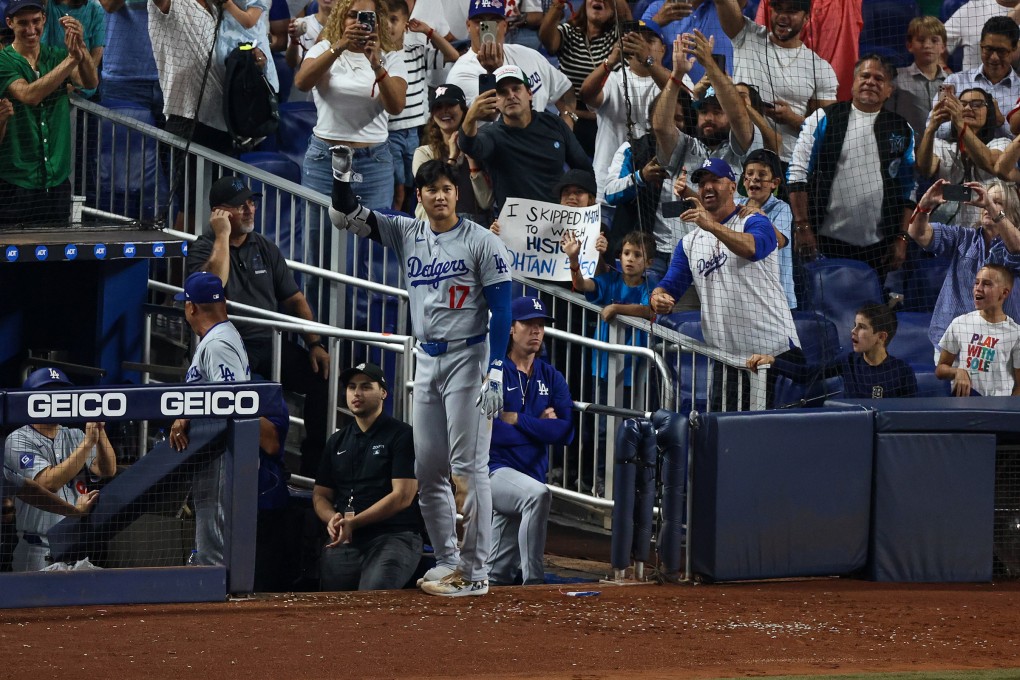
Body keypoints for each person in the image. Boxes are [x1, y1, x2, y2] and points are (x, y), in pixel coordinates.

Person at [329, 154, 513, 596]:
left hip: (469, 358)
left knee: (470, 469)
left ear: (457, 194)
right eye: (432, 189)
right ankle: (449, 560)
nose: (441, 196)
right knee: (429, 469)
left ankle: (475, 573)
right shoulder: (407, 231)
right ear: (420, 196)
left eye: (448, 189)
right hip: (427, 359)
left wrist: (496, 368)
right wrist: (340, 177)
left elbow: (504, 307)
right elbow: (346, 214)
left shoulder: (482, 242)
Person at [187, 175, 331, 477]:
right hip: (232, 349)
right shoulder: (203, 249)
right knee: (245, 395)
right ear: (220, 213)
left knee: (322, 378)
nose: (250, 209)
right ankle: (242, 468)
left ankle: (316, 467)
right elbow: (214, 283)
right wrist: (222, 237)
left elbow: (294, 299)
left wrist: (315, 343)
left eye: (251, 202)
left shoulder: (264, 246)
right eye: (241, 206)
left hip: (270, 343)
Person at [649, 157, 799, 402]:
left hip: (774, 353)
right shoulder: (689, 243)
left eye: (715, 181)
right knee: (725, 438)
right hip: (728, 361)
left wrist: (711, 226)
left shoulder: (755, 220)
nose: (707, 187)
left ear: (732, 186)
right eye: (702, 183)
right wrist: (658, 297)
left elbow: (755, 249)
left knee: (772, 438)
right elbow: (669, 285)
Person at [788, 54, 916, 277]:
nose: (870, 82)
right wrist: (802, 226)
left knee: (871, 311)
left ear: (889, 91)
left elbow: (908, 188)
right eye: (865, 75)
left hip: (879, 247)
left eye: (879, 79)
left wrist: (902, 238)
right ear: (853, 82)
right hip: (822, 241)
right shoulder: (822, 118)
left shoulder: (902, 128)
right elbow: (797, 174)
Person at [313, 362, 422, 591]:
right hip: (347, 538)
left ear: (383, 392)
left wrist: (354, 521)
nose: (357, 393)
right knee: (331, 609)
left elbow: (403, 495)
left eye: (366, 386)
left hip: (394, 535)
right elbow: (321, 495)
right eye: (352, 387)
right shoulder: (337, 441)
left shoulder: (402, 435)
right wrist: (331, 517)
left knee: (372, 601)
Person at [488, 297, 573, 586]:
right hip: (495, 471)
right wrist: (540, 426)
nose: (536, 331)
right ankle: (534, 582)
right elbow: (490, 433)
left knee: (496, 574)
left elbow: (565, 431)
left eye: (541, 325)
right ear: (511, 328)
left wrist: (519, 420)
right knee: (537, 495)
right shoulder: (494, 373)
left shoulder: (551, 375)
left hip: (530, 473)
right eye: (528, 324)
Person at [168, 271, 251, 566]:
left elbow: (233, 401)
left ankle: (214, 598)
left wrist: (186, 416)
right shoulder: (220, 337)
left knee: (213, 540)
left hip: (219, 450)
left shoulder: (218, 344)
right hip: (215, 449)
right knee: (210, 529)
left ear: (191, 307)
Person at [564, 229, 655, 494]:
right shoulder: (610, 280)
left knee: (634, 429)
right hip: (603, 370)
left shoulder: (652, 286)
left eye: (638, 255)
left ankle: (631, 483)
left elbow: (649, 309)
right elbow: (583, 285)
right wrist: (574, 260)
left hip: (635, 374)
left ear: (648, 263)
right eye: (626, 253)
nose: (630, 259)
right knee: (602, 429)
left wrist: (617, 309)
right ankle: (602, 481)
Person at [293, 0, 408, 209]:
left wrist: (376, 66)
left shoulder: (390, 58)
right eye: (352, 15)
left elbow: (396, 106)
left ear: (377, 23)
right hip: (324, 159)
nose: (358, 22)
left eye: (366, 17)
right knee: (318, 236)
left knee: (371, 238)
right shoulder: (324, 48)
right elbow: (302, 82)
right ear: (340, 18)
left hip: (373, 162)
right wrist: (340, 45)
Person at [4, 367, 114, 571]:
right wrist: (89, 442)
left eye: (60, 393)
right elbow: (48, 483)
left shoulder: (74, 435)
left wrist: (99, 432)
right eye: (49, 393)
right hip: (36, 550)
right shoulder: (17, 439)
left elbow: (106, 469)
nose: (56, 399)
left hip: (75, 546)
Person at [0, 0, 98, 227]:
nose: (31, 29)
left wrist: (81, 47)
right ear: (10, 23)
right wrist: (72, 58)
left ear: (44, 19)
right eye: (23, 23)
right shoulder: (4, 61)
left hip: (57, 179)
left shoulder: (55, 56)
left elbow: (89, 81)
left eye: (36, 21)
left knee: (56, 255)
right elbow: (29, 95)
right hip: (16, 179)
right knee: (13, 256)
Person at [907, 178, 1020, 355]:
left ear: (1012, 213)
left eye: (997, 202)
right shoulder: (963, 238)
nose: (988, 207)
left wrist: (991, 207)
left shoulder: (1014, 244)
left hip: (999, 348)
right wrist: (925, 205)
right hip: (955, 345)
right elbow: (917, 232)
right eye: (987, 201)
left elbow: (1017, 249)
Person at [458, 64, 592, 213]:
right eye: (502, 92)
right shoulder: (491, 135)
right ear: (495, 100)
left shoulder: (554, 124)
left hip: (558, 222)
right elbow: (469, 146)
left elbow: (583, 168)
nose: (510, 95)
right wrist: (470, 118)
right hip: (514, 228)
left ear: (529, 93)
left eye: (516, 89)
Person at [715, 0, 838, 162]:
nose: (783, 16)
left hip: (788, 163)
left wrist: (791, 118)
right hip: (742, 159)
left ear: (807, 17)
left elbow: (829, 131)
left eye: (792, 11)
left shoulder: (820, 69)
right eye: (778, 9)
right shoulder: (746, 35)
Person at [579, 18, 670, 204]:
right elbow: (586, 95)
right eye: (636, 40)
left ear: (663, 49)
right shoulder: (613, 79)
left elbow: (683, 96)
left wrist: (648, 60)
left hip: (659, 191)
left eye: (649, 41)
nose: (641, 46)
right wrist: (610, 62)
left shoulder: (673, 80)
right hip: (610, 188)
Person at [748, 303, 918, 399]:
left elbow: (909, 418)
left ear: (881, 337)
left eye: (862, 327)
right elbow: (806, 375)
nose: (853, 331)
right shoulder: (848, 362)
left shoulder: (902, 371)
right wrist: (773, 361)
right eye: (854, 325)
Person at [388, 1, 459, 213]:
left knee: (420, 184)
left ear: (405, 24)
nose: (389, 26)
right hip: (389, 133)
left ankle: (419, 225)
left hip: (419, 131)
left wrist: (428, 32)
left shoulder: (416, 50)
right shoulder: (378, 56)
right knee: (398, 191)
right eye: (385, 20)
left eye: (394, 20)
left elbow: (452, 55)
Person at [447, 0, 575, 117]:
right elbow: (491, 117)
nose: (485, 28)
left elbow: (564, 89)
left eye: (494, 22)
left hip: (539, 139)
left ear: (505, 26)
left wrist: (568, 122)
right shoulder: (461, 74)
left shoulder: (528, 55)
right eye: (479, 22)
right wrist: (492, 73)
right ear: (468, 26)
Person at [538, 0, 624, 155]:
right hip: (572, 118)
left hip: (610, 120)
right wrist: (557, 5)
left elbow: (627, 19)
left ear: (613, 10)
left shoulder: (617, 35)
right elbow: (547, 41)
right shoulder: (570, 32)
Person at [918, 86, 1009, 227]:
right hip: (950, 232)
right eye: (962, 104)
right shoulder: (941, 145)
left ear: (989, 112)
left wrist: (960, 124)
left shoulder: (1002, 143)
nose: (967, 108)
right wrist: (931, 129)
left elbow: (989, 163)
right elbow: (925, 169)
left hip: (990, 229)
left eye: (976, 104)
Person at [412, 83, 493, 225]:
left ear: (463, 110)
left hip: (474, 228)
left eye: (450, 105)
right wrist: (452, 159)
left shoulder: (480, 147)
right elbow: (434, 194)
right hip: (434, 229)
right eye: (438, 107)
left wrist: (472, 159)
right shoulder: (424, 153)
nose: (444, 111)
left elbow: (486, 202)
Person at [937, 264, 1020, 397]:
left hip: (999, 409)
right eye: (976, 283)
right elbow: (940, 370)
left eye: (987, 284)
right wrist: (957, 372)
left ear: (1004, 293)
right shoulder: (960, 323)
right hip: (965, 404)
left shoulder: (1015, 334)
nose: (978, 288)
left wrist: (1008, 413)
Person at [936, 16, 1020, 139]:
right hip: (957, 156)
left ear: (1013, 50)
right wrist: (958, 121)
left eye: (1001, 51)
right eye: (989, 49)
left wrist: (1001, 122)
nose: (994, 57)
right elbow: (933, 130)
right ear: (981, 46)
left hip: (1007, 158)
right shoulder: (954, 82)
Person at [735, 148, 795, 310]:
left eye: (762, 175)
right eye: (750, 173)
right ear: (744, 180)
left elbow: (780, 241)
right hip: (749, 293)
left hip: (778, 297)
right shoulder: (736, 204)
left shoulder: (782, 208)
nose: (755, 178)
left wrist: (761, 216)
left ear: (774, 183)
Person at [885, 16, 949, 149]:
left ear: (943, 47)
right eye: (921, 40)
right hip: (908, 152)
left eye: (934, 40)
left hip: (944, 154)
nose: (927, 45)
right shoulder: (896, 79)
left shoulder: (952, 82)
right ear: (909, 45)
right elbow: (887, 119)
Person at [98, 0, 162, 122]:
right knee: (122, 140)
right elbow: (109, 5)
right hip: (123, 80)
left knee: (174, 141)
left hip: (171, 79)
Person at [43, 0, 105, 99]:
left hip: (82, 87)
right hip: (47, 78)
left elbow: (96, 53)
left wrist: (79, 83)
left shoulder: (95, 9)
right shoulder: (48, 4)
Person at [945, 0, 1020, 74]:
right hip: (973, 84)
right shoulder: (973, 8)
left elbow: (1014, 56)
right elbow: (939, 44)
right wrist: (948, 78)